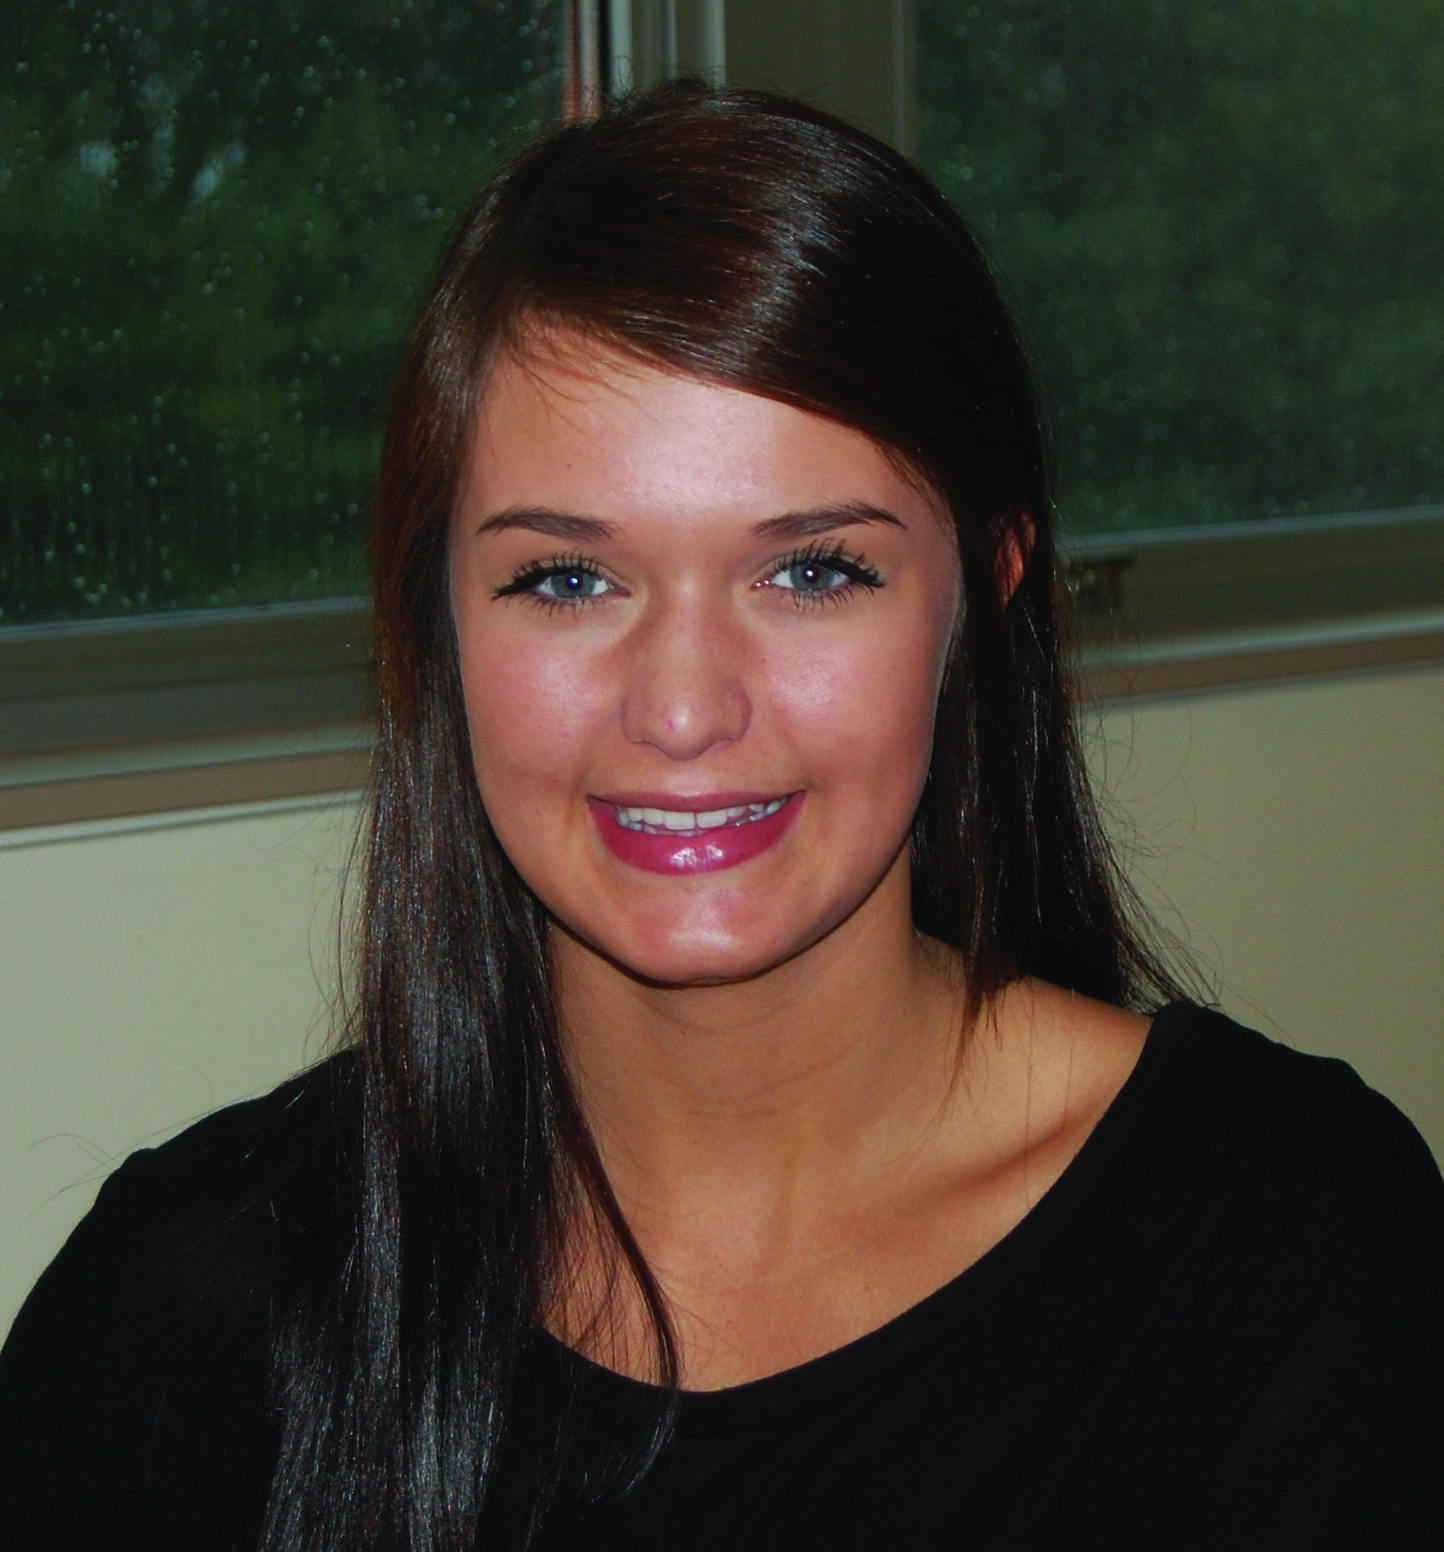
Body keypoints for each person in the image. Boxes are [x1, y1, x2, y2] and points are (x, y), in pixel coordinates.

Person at [1, 82, 1441, 1552]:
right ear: (441, 620)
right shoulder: (183, 1304)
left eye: (812, 572)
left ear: (986, 591)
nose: (683, 709)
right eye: (568, 579)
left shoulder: (1293, 1249)